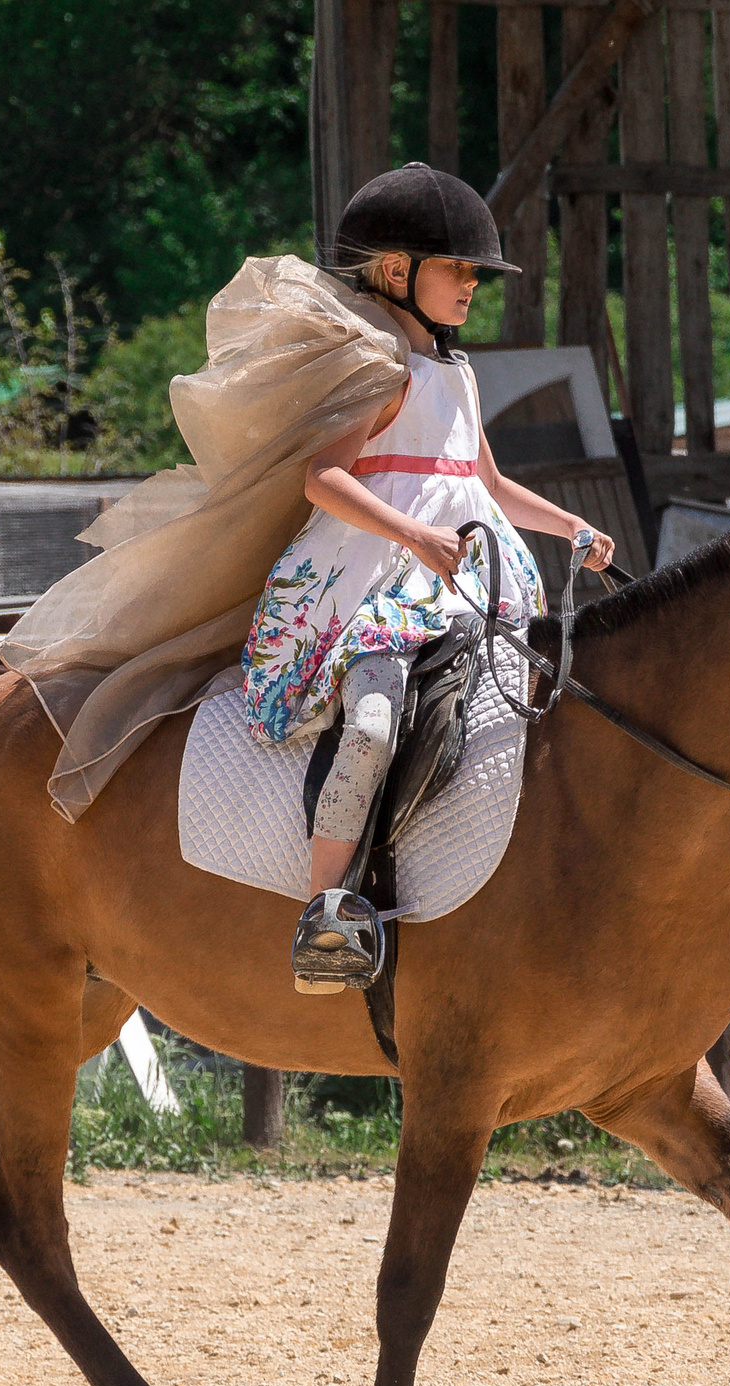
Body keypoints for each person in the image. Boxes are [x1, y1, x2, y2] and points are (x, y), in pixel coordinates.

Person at [252, 163, 615, 993]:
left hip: (465, 574)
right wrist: (414, 533)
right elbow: (323, 478)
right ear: (395, 271)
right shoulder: (375, 367)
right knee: (375, 725)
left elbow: (484, 483)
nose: (472, 286)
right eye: (458, 269)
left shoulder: (459, 373)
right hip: (374, 579)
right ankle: (325, 915)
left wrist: (571, 527)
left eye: (473, 273)